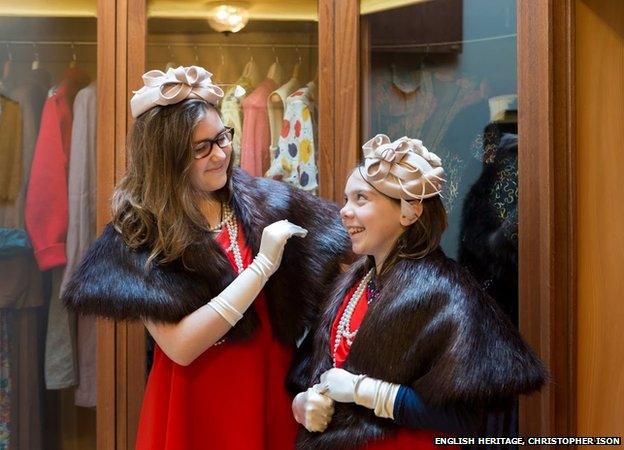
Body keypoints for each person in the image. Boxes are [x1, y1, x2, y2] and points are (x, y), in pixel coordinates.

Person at [62, 65, 350, 450]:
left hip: (268, 387)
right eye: (202, 148)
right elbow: (181, 347)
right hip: (193, 401)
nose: (220, 155)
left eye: (222, 137)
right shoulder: (142, 232)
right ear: (165, 157)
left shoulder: (270, 202)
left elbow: (349, 250)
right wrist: (261, 267)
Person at [289, 134, 546, 450]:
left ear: (409, 212)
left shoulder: (447, 294)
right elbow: (317, 374)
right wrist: (303, 403)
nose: (344, 211)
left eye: (361, 199)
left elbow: (459, 418)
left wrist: (362, 391)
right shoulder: (352, 285)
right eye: (345, 199)